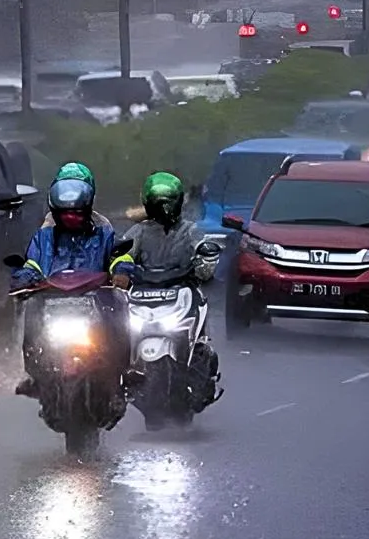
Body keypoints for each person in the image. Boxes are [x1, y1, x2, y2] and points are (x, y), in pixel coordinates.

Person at [12, 169, 135, 398]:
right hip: (52, 300)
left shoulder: (103, 230)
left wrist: (121, 271)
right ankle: (35, 375)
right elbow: (32, 262)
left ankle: (122, 371)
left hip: (96, 298)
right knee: (31, 315)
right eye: (65, 213)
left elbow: (119, 255)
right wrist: (25, 279)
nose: (71, 218)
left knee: (121, 313)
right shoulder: (44, 235)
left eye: (77, 212)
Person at [122, 171, 221, 406]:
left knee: (199, 328)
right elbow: (122, 252)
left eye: (167, 204)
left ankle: (198, 364)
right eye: (158, 205)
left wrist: (206, 256)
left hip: (181, 290)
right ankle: (117, 378)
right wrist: (116, 264)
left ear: (177, 203)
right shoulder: (139, 231)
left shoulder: (189, 230)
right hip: (141, 293)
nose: (163, 210)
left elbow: (202, 248)